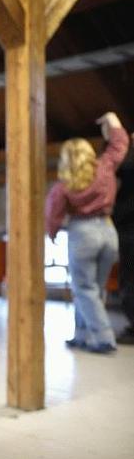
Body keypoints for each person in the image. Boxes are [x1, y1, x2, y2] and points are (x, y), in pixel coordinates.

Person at [46, 111, 130, 354]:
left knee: (83, 289)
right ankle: (80, 334)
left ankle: (104, 338)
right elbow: (120, 144)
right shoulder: (105, 169)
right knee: (95, 288)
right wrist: (113, 121)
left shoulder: (65, 184)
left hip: (82, 234)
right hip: (108, 231)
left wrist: (52, 233)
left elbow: (53, 213)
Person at [112, 144, 134, 344]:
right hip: (126, 230)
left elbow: (120, 166)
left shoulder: (129, 169)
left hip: (129, 232)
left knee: (128, 282)